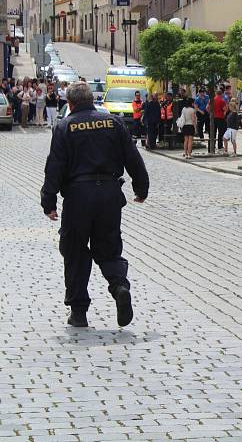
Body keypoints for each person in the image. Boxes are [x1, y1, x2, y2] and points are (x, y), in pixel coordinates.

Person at [41, 81, 149, 328]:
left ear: (69, 104)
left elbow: (55, 166)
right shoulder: (114, 123)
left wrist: (49, 201)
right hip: (110, 195)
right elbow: (133, 158)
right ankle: (120, 286)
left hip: (78, 196)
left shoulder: (64, 127)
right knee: (109, 248)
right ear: (92, 100)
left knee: (75, 251)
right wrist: (141, 188)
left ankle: (79, 312)